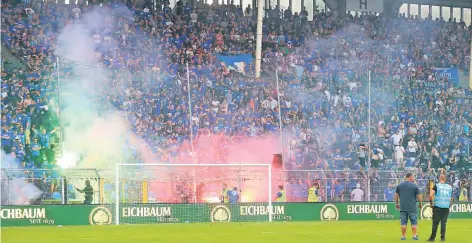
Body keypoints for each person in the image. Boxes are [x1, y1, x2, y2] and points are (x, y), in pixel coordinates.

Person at [395, 172, 422, 241]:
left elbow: (396, 195)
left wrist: (397, 203)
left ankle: (403, 236)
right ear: (410, 177)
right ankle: (414, 236)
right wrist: (420, 203)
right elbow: (419, 196)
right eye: (413, 177)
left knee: (403, 222)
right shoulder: (415, 186)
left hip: (403, 207)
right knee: (414, 222)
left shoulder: (399, 185)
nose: (414, 178)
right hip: (412, 207)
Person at [427, 174, 453, 242]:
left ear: (439, 178)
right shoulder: (450, 187)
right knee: (443, 224)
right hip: (446, 208)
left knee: (435, 223)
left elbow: (430, 195)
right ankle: (443, 238)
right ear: (445, 179)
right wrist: (449, 206)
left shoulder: (437, 186)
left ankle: (432, 238)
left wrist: (431, 204)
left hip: (437, 207)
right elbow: (451, 198)